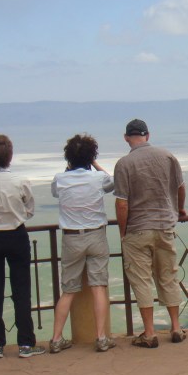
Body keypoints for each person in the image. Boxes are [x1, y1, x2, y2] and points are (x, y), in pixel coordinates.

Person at [114, 119, 187, 348]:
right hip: (165, 225)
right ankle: (176, 327)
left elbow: (122, 203)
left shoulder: (124, 164)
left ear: (126, 137)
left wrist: (123, 232)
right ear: (147, 135)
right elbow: (180, 187)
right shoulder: (167, 156)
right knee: (168, 275)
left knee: (142, 280)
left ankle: (149, 332)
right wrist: (179, 209)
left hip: (137, 229)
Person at [0, 134, 44, 359]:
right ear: (10, 156)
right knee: (21, 290)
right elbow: (29, 210)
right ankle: (25, 343)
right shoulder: (20, 181)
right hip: (16, 236)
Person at [49, 134, 116, 353]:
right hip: (96, 234)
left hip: (71, 238)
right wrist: (94, 164)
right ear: (91, 156)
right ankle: (101, 337)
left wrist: (70, 168)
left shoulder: (60, 179)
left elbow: (54, 192)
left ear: (68, 157)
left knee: (68, 290)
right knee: (98, 287)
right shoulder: (97, 179)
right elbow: (112, 183)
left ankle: (56, 338)